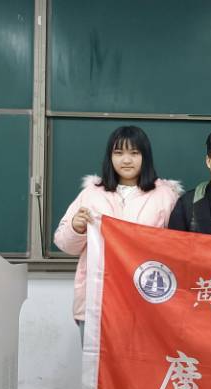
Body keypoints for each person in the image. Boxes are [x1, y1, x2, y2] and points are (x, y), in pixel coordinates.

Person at [54, 126, 183, 338]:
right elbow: (64, 244)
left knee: (141, 359)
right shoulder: (91, 194)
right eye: (119, 153)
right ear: (110, 157)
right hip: (96, 299)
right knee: (96, 360)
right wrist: (76, 228)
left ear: (145, 156)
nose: (126, 160)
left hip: (145, 301)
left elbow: (177, 248)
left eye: (134, 153)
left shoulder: (165, 196)